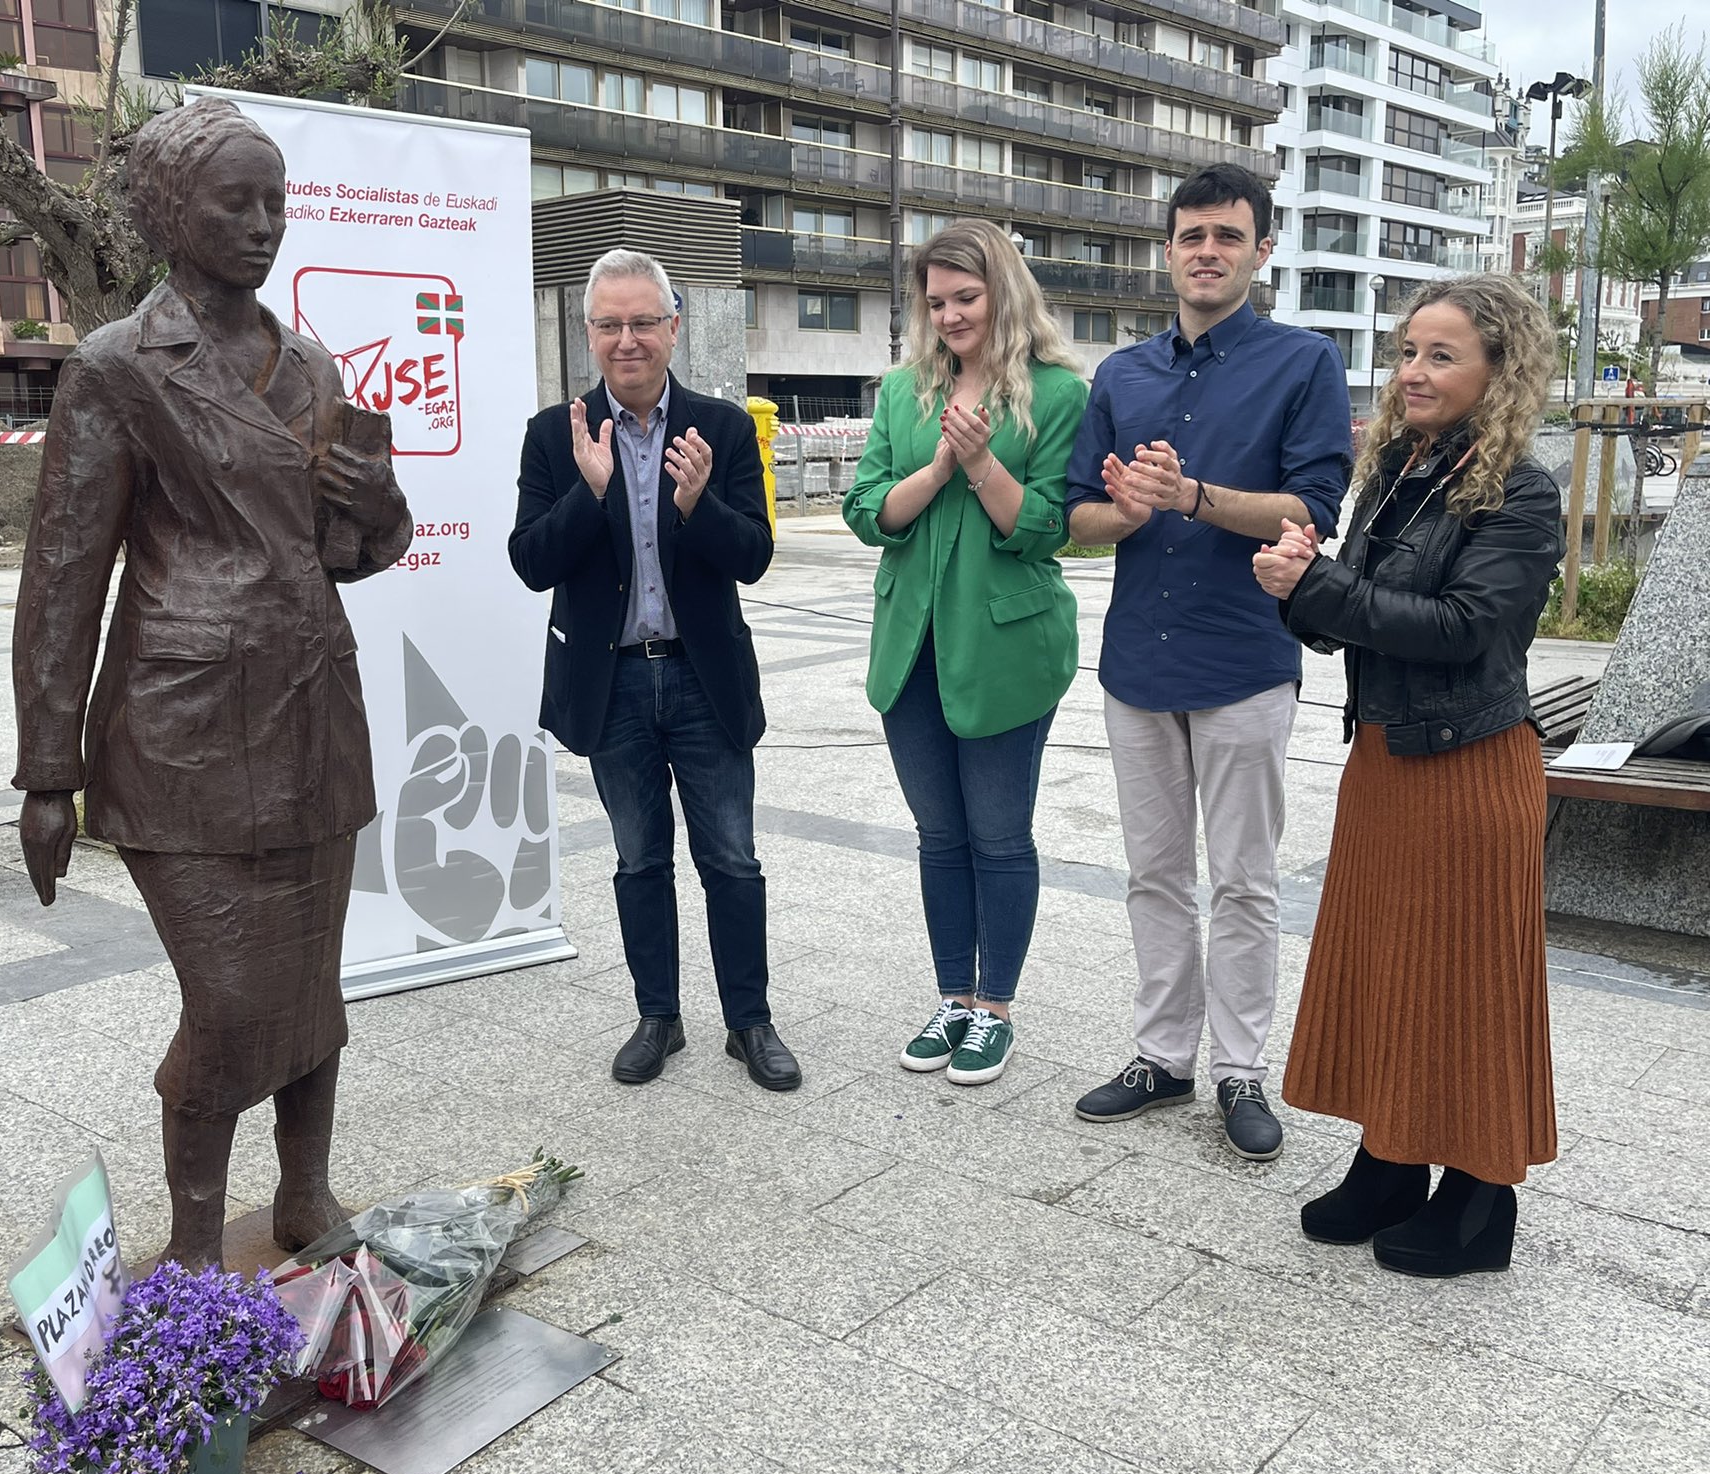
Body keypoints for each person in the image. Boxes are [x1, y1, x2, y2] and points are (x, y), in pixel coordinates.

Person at [12, 97, 413, 1270]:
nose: (261, 224)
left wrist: (370, 501)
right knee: (234, 1003)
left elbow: (354, 555)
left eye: (275, 201)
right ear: (168, 212)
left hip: (309, 715)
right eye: (234, 202)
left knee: (312, 992)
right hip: (179, 728)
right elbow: (60, 581)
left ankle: (303, 1195)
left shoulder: (315, 364)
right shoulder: (119, 368)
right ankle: (192, 1241)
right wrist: (48, 773)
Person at [1255, 273, 1563, 1276]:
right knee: (1386, 966)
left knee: (1464, 983)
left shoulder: (1519, 485)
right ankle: (1388, 1161)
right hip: (1386, 759)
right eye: (1405, 352)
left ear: (1495, 370)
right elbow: (1348, 616)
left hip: (1470, 768)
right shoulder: (1399, 463)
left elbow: (1466, 631)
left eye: (1440, 355)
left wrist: (1322, 585)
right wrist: (1294, 586)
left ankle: (1479, 1199)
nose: (1414, 372)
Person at [1064, 163, 1353, 1160]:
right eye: (1191, 235)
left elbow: (1310, 511)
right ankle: (1160, 1056)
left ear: (1260, 250)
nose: (1205, 252)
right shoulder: (1121, 376)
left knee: (1240, 881)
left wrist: (1191, 498)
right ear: (1169, 247)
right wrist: (1130, 507)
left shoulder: (1302, 363)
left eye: (1227, 236)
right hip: (1135, 663)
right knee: (1151, 874)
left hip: (1242, 660)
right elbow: (1079, 516)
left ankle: (1237, 1069)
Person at [508, 249, 794, 1091]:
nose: (626, 340)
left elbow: (754, 559)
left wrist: (699, 505)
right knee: (639, 861)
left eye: (642, 323)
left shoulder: (725, 427)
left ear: (675, 328)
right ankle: (657, 1017)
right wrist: (590, 493)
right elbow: (530, 562)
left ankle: (751, 1023)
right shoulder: (553, 435)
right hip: (613, 683)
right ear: (588, 333)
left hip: (704, 679)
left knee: (732, 859)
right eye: (609, 325)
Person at [843, 220, 1086, 1086]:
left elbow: (1048, 528)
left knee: (999, 834)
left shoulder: (1058, 395)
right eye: (936, 300)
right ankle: (952, 997)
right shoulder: (903, 390)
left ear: (1004, 293)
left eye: (966, 297)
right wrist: (943, 466)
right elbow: (866, 510)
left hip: (1006, 647)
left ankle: (996, 1009)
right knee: (939, 835)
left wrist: (982, 465)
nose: (949, 314)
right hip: (910, 643)